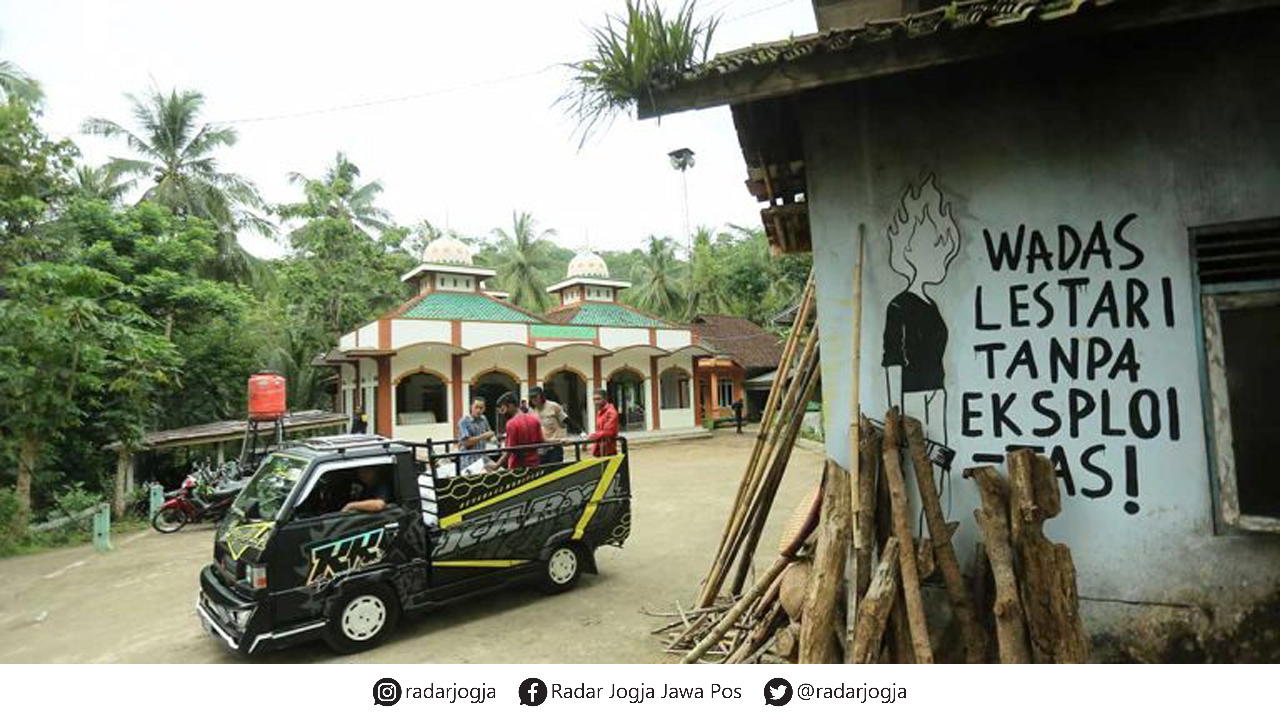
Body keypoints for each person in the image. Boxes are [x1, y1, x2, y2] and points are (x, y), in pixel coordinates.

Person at [493, 391, 544, 469]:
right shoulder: (534, 419)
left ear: (510, 406)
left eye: (503, 409)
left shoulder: (511, 423)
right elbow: (542, 440)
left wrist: (496, 466)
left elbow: (509, 451)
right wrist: (559, 440)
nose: (503, 413)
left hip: (517, 468)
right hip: (534, 465)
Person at [529, 386, 568, 463]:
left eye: (535, 396)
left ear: (541, 396)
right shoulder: (531, 411)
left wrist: (581, 433)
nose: (534, 399)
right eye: (531, 397)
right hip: (540, 448)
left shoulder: (553, 406)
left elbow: (566, 420)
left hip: (554, 446)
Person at [456, 397, 496, 470]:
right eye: (476, 407)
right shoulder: (464, 421)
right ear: (471, 407)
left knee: (499, 471)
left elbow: (488, 434)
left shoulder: (484, 419)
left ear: (484, 409)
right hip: (469, 460)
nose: (478, 410)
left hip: (483, 457)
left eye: (481, 408)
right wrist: (483, 436)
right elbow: (466, 442)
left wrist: (491, 436)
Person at [588, 389, 619, 457]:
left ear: (605, 399)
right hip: (601, 449)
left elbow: (609, 432)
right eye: (594, 399)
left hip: (609, 449)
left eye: (598, 399)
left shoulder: (611, 412)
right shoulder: (600, 412)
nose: (596, 402)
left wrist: (591, 437)